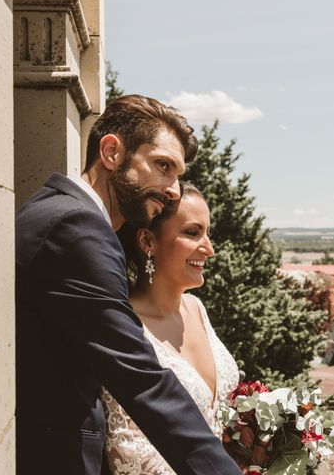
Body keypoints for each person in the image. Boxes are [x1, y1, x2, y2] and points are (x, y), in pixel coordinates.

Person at [15, 95, 241, 475]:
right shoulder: (77, 228)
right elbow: (142, 380)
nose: (173, 189)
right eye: (162, 166)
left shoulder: (61, 212)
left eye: (177, 175)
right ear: (111, 152)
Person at [102, 182, 240, 474]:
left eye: (208, 233)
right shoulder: (125, 327)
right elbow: (131, 452)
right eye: (192, 233)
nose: (209, 249)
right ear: (147, 241)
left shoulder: (197, 309)